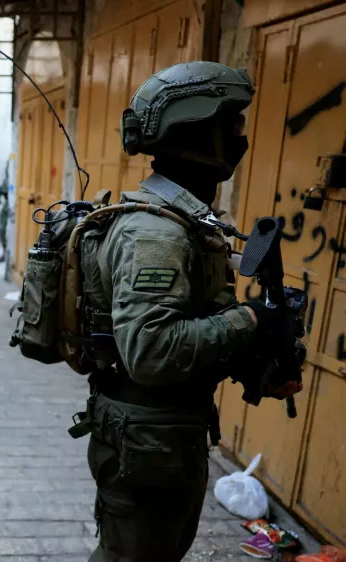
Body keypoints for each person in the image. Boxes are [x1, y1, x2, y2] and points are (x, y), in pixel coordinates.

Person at [79, 61, 303, 562]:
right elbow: (152, 351)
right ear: (197, 131)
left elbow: (188, 325)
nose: (241, 140)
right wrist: (250, 321)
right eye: (232, 125)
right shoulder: (156, 232)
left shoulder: (189, 217)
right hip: (148, 439)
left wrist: (255, 356)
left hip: (165, 434)